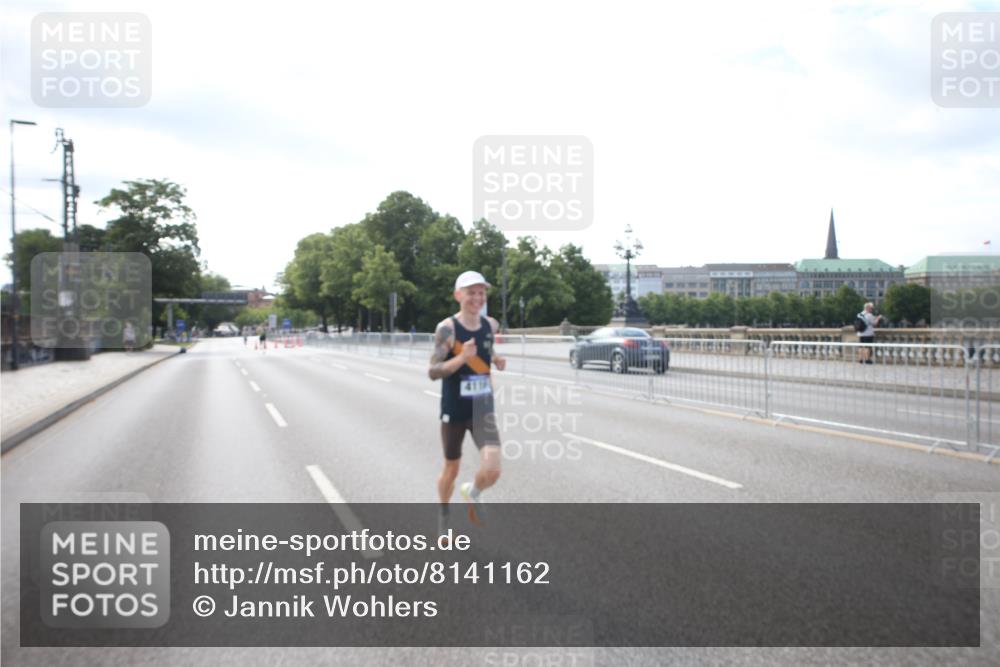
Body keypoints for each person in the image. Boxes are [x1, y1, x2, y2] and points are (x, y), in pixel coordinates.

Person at [428, 271, 507, 537]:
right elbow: (433, 371)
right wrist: (462, 358)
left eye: (481, 292)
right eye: (471, 292)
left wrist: (494, 357)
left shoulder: (491, 324)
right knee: (452, 468)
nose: (477, 297)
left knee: (493, 468)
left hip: (482, 407)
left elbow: (485, 345)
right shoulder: (447, 329)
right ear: (458, 295)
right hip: (455, 409)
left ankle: (473, 492)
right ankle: (444, 513)